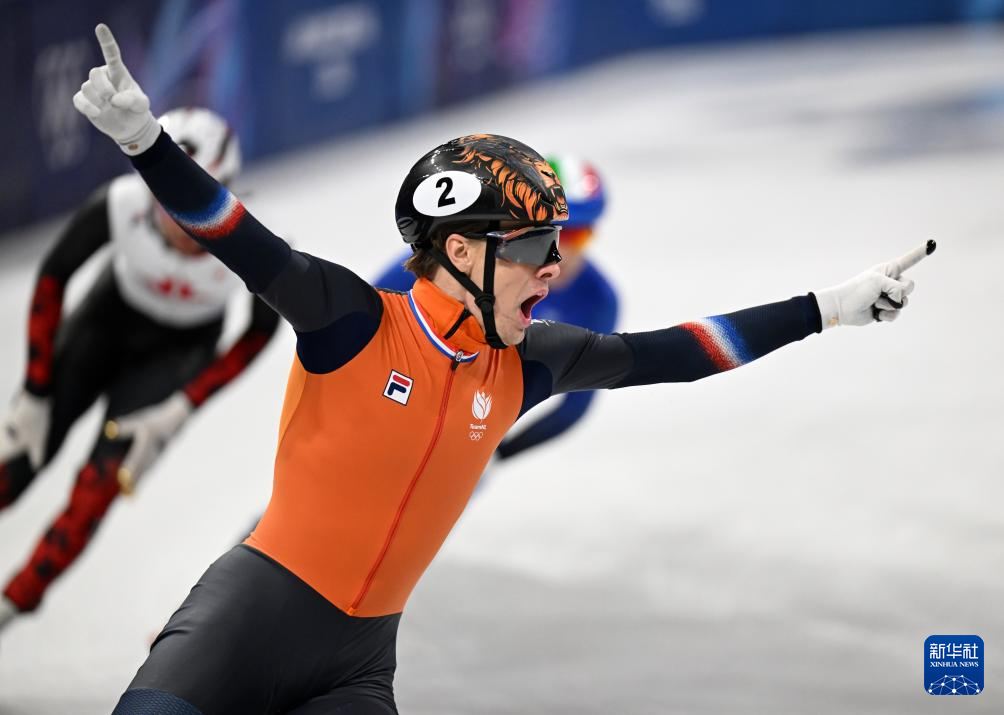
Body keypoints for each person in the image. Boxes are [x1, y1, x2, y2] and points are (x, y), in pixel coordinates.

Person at [74, 25, 933, 715]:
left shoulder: (532, 363)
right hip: (246, 621)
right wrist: (146, 141)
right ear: (461, 250)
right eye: (532, 247)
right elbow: (233, 230)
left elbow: (679, 353)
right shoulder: (352, 318)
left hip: (359, 667)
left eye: (558, 244)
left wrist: (830, 306)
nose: (554, 268)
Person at [0, 106, 279, 634]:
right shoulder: (121, 201)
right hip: (103, 327)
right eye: (164, 194)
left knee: (97, 490)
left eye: (194, 198)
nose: (177, 217)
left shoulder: (254, 240)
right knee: (13, 468)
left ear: (224, 193)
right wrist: (34, 390)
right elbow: (54, 275)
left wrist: (183, 406)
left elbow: (261, 332)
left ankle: (12, 604)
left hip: (176, 358)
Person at [375, 155, 618, 463]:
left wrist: (497, 454)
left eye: (577, 236)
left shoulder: (598, 300)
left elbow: (574, 407)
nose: (562, 253)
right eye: (551, 233)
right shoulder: (456, 257)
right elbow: (367, 317)